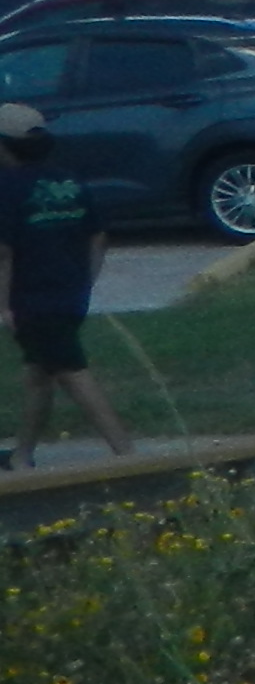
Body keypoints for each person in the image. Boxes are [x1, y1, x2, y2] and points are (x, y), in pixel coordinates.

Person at [5, 101, 136, 472]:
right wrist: (85, 283)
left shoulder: (6, 188)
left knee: (70, 371)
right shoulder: (68, 179)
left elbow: (3, 253)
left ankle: (126, 455)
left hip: (31, 298)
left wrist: (3, 306)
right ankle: (22, 455)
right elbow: (98, 237)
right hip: (70, 293)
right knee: (38, 373)